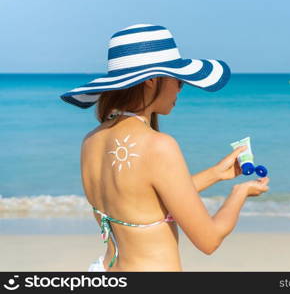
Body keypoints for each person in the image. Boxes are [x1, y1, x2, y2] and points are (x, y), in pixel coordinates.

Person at [60, 24, 270, 271]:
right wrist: (239, 194)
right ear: (151, 80)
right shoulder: (159, 145)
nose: (181, 88)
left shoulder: (92, 140)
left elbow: (142, 201)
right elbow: (209, 240)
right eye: (179, 80)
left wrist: (216, 174)